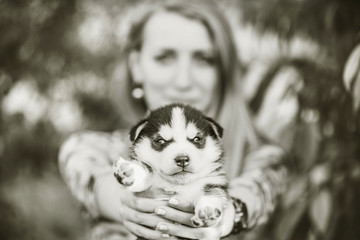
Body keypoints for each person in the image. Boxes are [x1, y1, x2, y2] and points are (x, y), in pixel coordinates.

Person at [58, 0, 288, 239]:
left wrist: (226, 214)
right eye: (164, 57)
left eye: (203, 59)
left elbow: (255, 190)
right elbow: (91, 175)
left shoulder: (263, 157)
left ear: (222, 72)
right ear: (137, 66)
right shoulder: (98, 148)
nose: (183, 81)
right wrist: (131, 200)